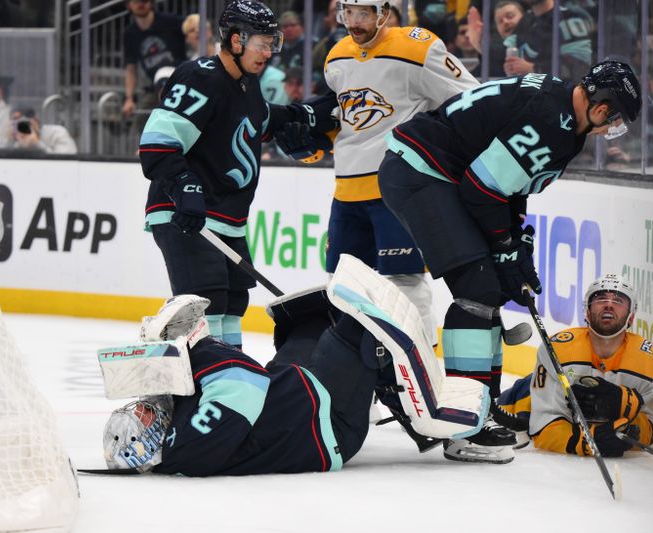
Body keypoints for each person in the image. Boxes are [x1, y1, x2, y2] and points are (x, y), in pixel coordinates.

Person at [377, 60, 642, 463]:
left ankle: (482, 403)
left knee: (493, 287)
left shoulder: (562, 112)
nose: (610, 129)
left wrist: (514, 240)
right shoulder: (553, 124)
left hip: (439, 172)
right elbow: (483, 189)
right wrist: (504, 245)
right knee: (477, 287)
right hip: (422, 172)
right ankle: (463, 424)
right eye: (615, 119)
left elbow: (508, 185)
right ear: (603, 107)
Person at [101, 261, 485, 474]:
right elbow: (241, 381)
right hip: (327, 424)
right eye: (144, 418)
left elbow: (245, 379)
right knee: (360, 327)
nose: (145, 409)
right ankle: (426, 417)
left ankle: (389, 384)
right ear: (148, 444)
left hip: (297, 391)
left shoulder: (179, 433)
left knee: (307, 320)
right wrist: (193, 348)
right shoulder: (187, 448)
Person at [138, 0, 323, 350]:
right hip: (186, 214)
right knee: (205, 302)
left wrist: (307, 115)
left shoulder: (246, 83)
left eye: (272, 43)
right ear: (236, 40)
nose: (269, 52)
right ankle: (197, 391)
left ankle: (228, 377)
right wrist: (183, 186)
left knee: (233, 304)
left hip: (225, 219)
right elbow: (157, 144)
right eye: (262, 43)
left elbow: (259, 119)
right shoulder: (200, 77)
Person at [321, 0, 479, 350]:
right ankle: (351, 372)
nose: (355, 22)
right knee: (341, 282)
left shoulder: (417, 48)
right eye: (349, 13)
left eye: (364, 13)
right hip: (346, 190)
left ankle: (420, 359)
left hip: (397, 188)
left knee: (404, 278)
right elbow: (344, 116)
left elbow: (469, 99)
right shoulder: (336, 57)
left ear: (384, 13)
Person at [498, 274, 653, 457]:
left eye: (618, 300)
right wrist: (588, 442)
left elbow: (651, 427)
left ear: (631, 317)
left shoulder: (652, 363)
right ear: (587, 312)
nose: (609, 304)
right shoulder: (557, 350)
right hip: (522, 404)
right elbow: (543, 428)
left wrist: (626, 417)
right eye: (601, 299)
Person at [122, 0, 187, 117]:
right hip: (156, 87)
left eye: (144, 0)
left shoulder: (170, 21)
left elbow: (194, 29)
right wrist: (129, 99)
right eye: (136, 1)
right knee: (140, 122)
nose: (141, 4)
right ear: (129, 5)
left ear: (151, 3)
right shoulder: (130, 33)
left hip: (182, 81)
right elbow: (131, 68)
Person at [0, 108, 77, 155]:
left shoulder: (57, 133)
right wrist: (8, 141)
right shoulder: (13, 140)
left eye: (25, 123)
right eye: (16, 123)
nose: (22, 128)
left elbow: (68, 162)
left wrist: (37, 144)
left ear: (36, 121)